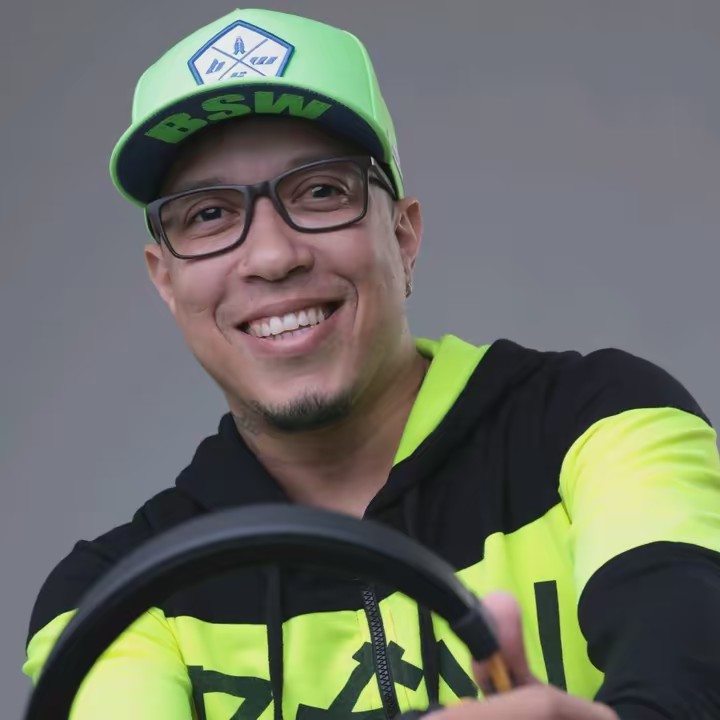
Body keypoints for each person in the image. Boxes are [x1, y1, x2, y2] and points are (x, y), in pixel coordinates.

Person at [23, 8, 720, 720]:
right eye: (208, 215)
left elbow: (689, 684)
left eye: (321, 191)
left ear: (404, 236)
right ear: (166, 282)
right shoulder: (107, 595)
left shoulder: (605, 419)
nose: (272, 256)